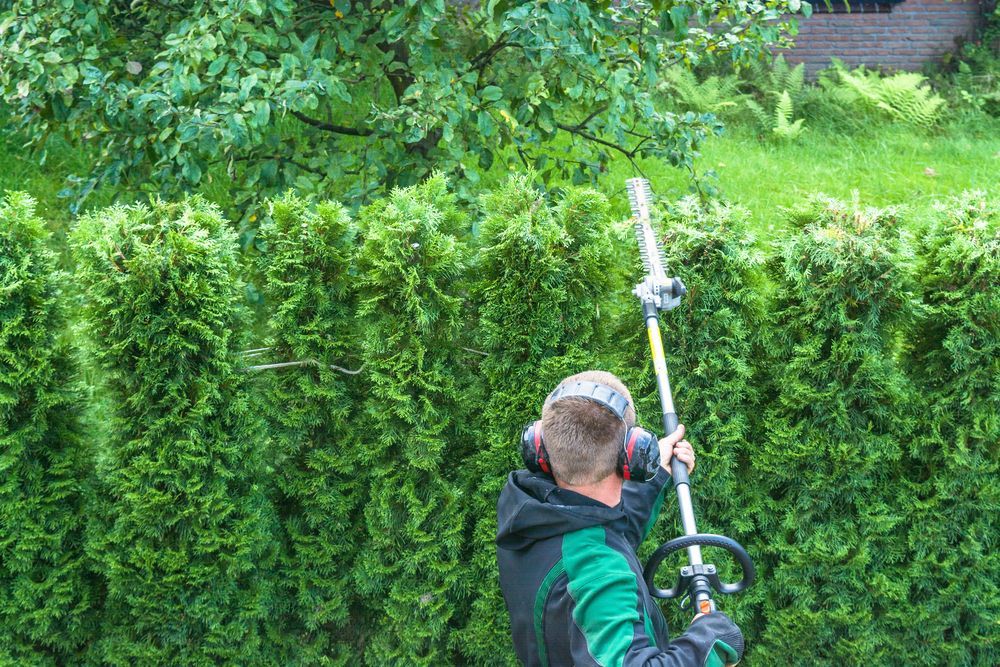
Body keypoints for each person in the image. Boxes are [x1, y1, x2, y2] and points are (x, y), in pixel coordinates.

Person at [496, 370, 744, 667]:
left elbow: (602, 531)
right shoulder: (600, 575)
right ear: (633, 456)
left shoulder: (531, 512)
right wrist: (709, 642)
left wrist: (658, 475)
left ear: (539, 445)